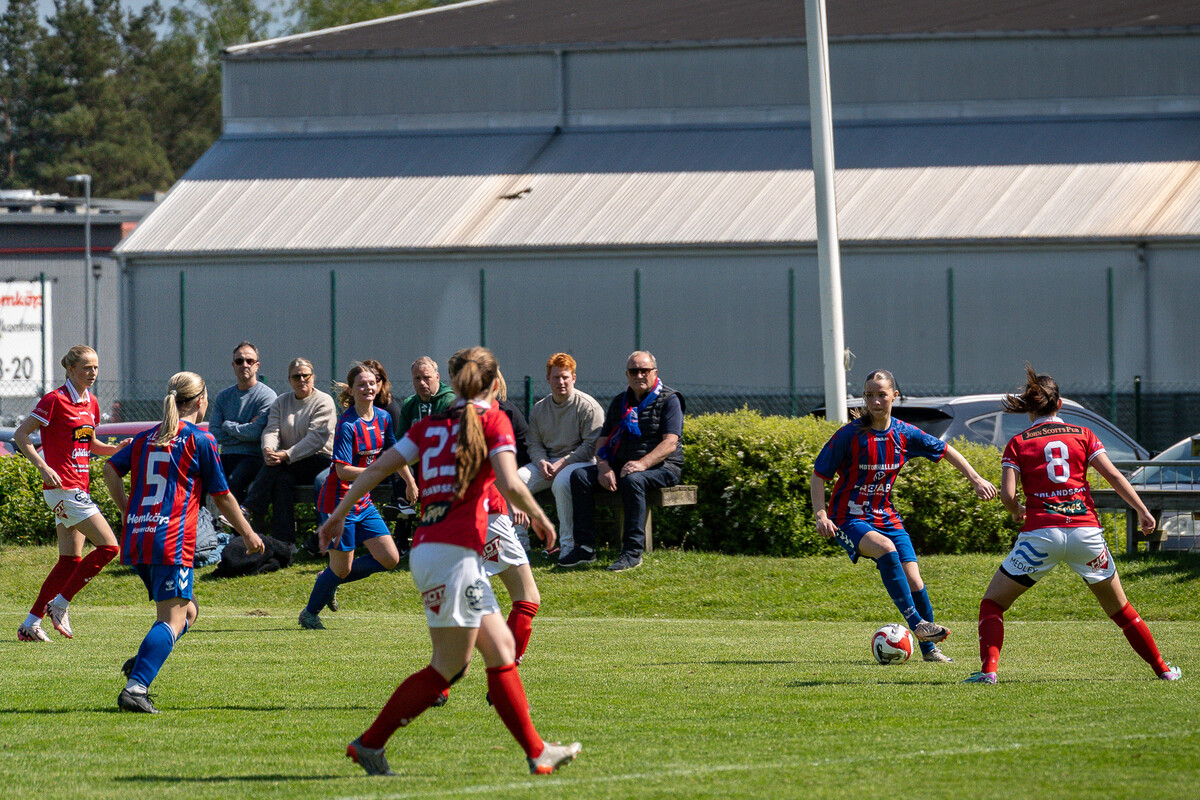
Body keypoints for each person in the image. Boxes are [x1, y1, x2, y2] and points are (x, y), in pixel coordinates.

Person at [316, 347, 580, 777]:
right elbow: (511, 481)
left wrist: (338, 514)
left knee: (490, 652)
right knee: (451, 665)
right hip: (455, 556)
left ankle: (536, 752)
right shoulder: (492, 420)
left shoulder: (429, 425)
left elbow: (377, 469)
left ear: (453, 383)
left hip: (428, 551)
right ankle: (371, 743)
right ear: (493, 383)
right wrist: (539, 516)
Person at [965, 367, 1181, 684]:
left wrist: (1017, 510)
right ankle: (1163, 670)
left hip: (1041, 536)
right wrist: (1142, 510)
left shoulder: (1019, 443)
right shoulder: (1083, 434)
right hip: (1085, 534)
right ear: (1060, 404)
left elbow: (1008, 495)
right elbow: (1115, 476)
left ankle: (988, 673)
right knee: (1121, 611)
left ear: (1029, 409)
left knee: (993, 604)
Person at [103, 372, 264, 713]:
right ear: (202, 401)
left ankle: (144, 660)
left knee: (188, 611)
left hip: (139, 536)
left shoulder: (145, 437)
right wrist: (248, 533)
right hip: (171, 539)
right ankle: (136, 687)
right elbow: (222, 496)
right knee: (173, 619)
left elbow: (110, 469)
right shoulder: (199, 440)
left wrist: (127, 510)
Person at [811, 369, 998, 663]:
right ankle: (917, 624)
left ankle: (930, 650)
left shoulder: (904, 433)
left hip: (885, 516)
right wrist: (821, 515)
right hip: (848, 518)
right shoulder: (849, 435)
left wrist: (976, 479)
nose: (875, 401)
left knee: (915, 580)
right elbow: (819, 475)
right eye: (869, 395)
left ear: (894, 396)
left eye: (881, 395)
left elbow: (946, 450)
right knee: (885, 549)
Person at [15, 345, 131, 642]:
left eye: (96, 367)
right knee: (110, 547)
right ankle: (60, 604)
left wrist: (115, 449)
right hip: (63, 488)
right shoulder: (54, 399)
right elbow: (21, 435)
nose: (93, 373)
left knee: (70, 561)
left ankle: (30, 624)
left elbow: (90, 445)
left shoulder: (91, 402)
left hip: (77, 488)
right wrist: (42, 466)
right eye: (86, 368)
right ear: (70, 369)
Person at [561, 350, 684, 572]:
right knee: (579, 476)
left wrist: (642, 464)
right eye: (634, 371)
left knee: (633, 480)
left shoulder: (670, 399)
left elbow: (670, 443)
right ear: (627, 374)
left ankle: (632, 552)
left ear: (654, 373)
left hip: (663, 467)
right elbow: (603, 440)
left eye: (644, 370)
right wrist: (603, 467)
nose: (639, 375)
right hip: (624, 466)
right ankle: (585, 548)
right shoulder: (620, 401)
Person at [299, 363, 400, 629]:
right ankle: (310, 613)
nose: (368, 388)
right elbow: (342, 471)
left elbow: (394, 452)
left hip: (363, 502)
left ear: (378, 386)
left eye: (372, 383)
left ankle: (328, 578)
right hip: (338, 502)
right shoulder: (347, 424)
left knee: (390, 558)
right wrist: (375, 471)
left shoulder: (383, 417)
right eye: (362, 384)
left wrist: (410, 481)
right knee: (342, 568)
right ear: (351, 390)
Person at [519, 353, 604, 558]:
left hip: (581, 463)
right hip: (548, 463)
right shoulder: (539, 409)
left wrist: (564, 463)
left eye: (565, 377)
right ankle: (519, 546)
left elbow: (591, 445)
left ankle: (567, 546)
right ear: (548, 379)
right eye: (556, 377)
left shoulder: (588, 406)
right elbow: (534, 443)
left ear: (573, 378)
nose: (561, 382)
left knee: (562, 482)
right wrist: (541, 461)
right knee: (517, 479)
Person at [241, 357, 335, 543]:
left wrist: (285, 454)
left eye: (306, 375)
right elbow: (271, 430)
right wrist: (268, 449)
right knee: (281, 480)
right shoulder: (281, 402)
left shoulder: (324, 401)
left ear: (313, 377)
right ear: (289, 380)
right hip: (288, 463)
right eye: (296, 377)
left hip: (320, 460)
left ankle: (249, 507)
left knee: (277, 467)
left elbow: (315, 440)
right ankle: (284, 543)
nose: (302, 380)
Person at [209, 342, 277, 502]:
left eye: (249, 361)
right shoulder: (223, 396)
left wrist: (227, 425)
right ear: (233, 365)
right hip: (226, 455)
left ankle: (238, 520)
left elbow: (256, 434)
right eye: (239, 361)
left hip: (253, 457)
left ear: (257, 365)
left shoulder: (267, 396)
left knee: (234, 483)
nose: (244, 365)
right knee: (201, 477)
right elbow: (214, 432)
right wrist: (245, 430)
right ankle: (202, 518)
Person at [394, 356, 455, 505]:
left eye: (427, 378)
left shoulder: (450, 401)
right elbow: (400, 442)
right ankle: (402, 507)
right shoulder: (410, 404)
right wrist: (409, 481)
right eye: (417, 378)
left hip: (443, 462)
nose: (422, 383)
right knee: (397, 461)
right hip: (417, 460)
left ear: (437, 377)